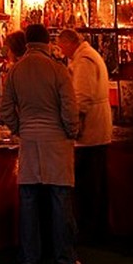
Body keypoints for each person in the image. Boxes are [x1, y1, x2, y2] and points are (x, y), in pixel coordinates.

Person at [0, 22, 81, 264]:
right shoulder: (58, 70)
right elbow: (69, 108)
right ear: (47, 43)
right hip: (56, 142)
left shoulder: (15, 71)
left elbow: (4, 110)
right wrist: (71, 131)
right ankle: (64, 260)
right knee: (60, 198)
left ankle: (29, 258)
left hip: (29, 142)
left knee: (28, 199)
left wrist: (19, 129)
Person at [57, 28, 113, 242]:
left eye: (62, 47)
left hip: (91, 131)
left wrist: (74, 121)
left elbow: (82, 96)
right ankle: (96, 226)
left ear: (70, 43)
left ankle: (92, 228)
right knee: (95, 180)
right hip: (96, 129)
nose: (62, 52)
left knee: (90, 182)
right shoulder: (86, 57)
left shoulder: (84, 60)